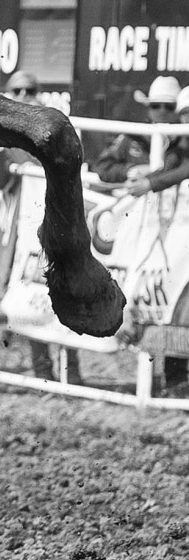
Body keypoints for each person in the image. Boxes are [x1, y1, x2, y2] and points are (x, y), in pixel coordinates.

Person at [0, 72, 84, 384]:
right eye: (17, 90)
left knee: (65, 292)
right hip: (26, 230)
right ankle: (43, 371)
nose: (24, 94)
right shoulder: (4, 132)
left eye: (30, 89)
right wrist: (2, 145)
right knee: (31, 298)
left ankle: (73, 373)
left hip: (59, 222)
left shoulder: (54, 125)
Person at [106, 78, 189, 395]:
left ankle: (175, 380)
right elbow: (105, 166)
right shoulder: (154, 140)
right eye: (182, 113)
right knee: (172, 303)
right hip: (170, 238)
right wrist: (142, 174)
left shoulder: (175, 145)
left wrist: (150, 181)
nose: (167, 114)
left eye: (172, 108)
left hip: (174, 234)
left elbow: (180, 169)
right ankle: (175, 380)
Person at [91, 74, 180, 185]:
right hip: (134, 198)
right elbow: (102, 166)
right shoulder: (133, 137)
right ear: (149, 109)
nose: (162, 111)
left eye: (169, 106)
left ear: (178, 110)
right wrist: (131, 170)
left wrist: (155, 172)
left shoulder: (185, 141)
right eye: (156, 105)